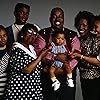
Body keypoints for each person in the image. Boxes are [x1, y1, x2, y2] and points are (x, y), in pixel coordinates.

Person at [34, 7, 80, 100]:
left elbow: (76, 56)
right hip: (48, 77)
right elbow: (39, 54)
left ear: (64, 19)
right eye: (54, 16)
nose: (57, 19)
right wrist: (55, 57)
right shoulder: (42, 34)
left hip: (67, 77)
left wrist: (63, 69)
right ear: (50, 19)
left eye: (60, 16)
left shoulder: (72, 35)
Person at [4, 23, 50, 100]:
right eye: (29, 32)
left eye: (35, 34)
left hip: (32, 91)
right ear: (22, 34)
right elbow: (26, 70)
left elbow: (35, 67)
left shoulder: (32, 50)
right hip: (19, 91)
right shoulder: (16, 49)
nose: (32, 36)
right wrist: (41, 56)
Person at [71, 11, 100, 100]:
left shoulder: (96, 39)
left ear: (90, 26)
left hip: (96, 80)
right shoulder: (77, 40)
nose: (81, 27)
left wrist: (81, 57)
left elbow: (99, 62)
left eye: (84, 25)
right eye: (79, 25)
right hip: (84, 80)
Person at [0, 25, 10, 99]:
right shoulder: (9, 52)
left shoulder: (11, 49)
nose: (2, 38)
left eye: (4, 35)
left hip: (9, 91)